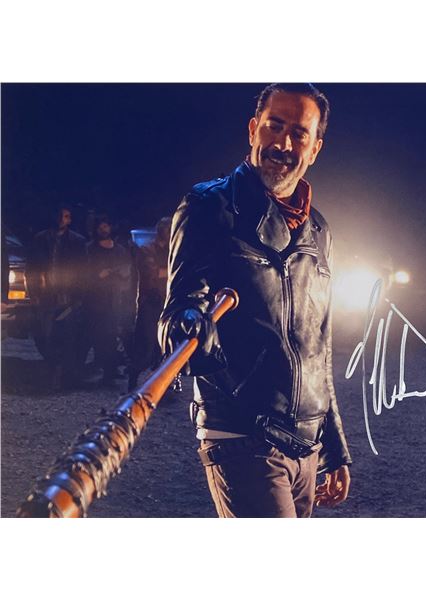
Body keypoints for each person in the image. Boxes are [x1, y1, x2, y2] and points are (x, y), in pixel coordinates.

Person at [158, 83, 352, 518]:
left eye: (299, 133)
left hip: (306, 446)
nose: (284, 143)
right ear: (253, 130)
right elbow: (178, 310)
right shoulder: (209, 206)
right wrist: (190, 323)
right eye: (274, 126)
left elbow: (317, 348)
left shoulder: (318, 231)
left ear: (315, 148)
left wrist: (333, 447)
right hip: (241, 436)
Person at [26, 204, 87, 389]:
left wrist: (78, 295)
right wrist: (32, 292)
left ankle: (61, 376)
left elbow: (82, 269)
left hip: (67, 296)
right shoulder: (40, 239)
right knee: (45, 336)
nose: (62, 219)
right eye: (60, 215)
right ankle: (53, 369)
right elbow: (31, 267)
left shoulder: (77, 241)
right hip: (45, 294)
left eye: (66, 216)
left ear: (70, 220)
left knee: (67, 336)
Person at [85, 215, 131, 386]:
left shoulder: (120, 250)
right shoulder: (90, 249)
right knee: (100, 335)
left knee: (114, 334)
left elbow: (127, 270)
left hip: (116, 298)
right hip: (97, 299)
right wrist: (98, 275)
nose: (103, 230)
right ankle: (103, 368)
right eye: (101, 227)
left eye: (106, 226)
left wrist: (122, 275)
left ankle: (112, 369)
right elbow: (85, 272)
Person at [128, 216, 172, 391]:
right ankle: (132, 382)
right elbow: (152, 273)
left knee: (162, 347)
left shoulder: (171, 251)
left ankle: (159, 387)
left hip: (165, 301)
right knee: (145, 345)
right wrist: (173, 271)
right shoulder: (146, 250)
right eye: (168, 230)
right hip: (150, 303)